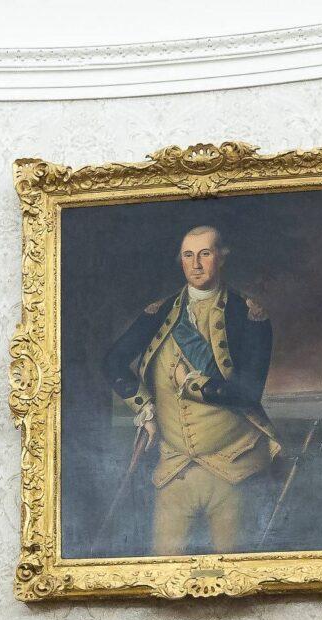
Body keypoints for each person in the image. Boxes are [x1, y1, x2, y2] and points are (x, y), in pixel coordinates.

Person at [100, 223, 280, 555]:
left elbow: (248, 392)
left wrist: (192, 382)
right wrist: (144, 408)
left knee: (234, 571)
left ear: (221, 258)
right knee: (163, 569)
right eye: (188, 255)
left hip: (233, 467)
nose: (196, 264)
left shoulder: (249, 315)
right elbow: (112, 362)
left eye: (205, 254)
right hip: (172, 468)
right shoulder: (160, 312)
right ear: (180, 260)